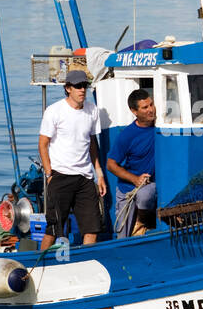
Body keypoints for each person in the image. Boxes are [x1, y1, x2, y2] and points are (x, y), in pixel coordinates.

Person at [39, 69, 107, 249]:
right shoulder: (54, 111)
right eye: (77, 86)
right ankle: (39, 264)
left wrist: (99, 174)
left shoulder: (92, 110)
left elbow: (92, 144)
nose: (82, 90)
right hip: (60, 176)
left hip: (85, 178)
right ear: (68, 88)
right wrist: (49, 174)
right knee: (53, 229)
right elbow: (43, 144)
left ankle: (85, 264)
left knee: (92, 228)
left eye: (84, 86)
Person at [106, 88, 157, 237]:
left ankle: (143, 223)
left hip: (148, 186)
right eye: (145, 107)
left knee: (145, 195)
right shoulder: (127, 135)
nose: (151, 110)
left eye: (151, 105)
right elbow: (110, 164)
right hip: (126, 189)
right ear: (134, 111)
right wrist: (135, 179)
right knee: (122, 237)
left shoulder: (161, 127)